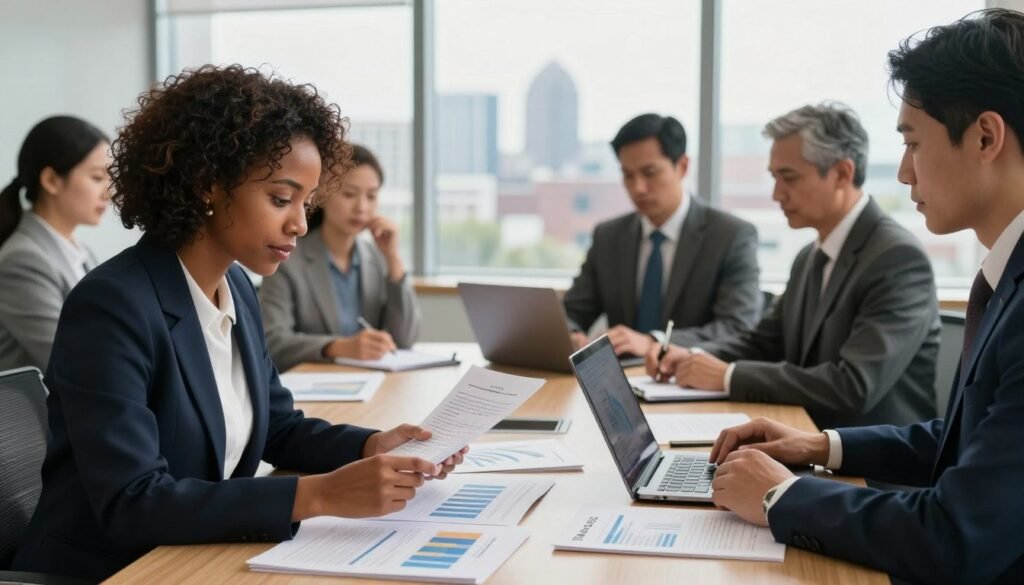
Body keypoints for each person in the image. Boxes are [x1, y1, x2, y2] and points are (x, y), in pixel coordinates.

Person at [12, 65, 464, 582]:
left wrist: (370, 446)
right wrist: (319, 494)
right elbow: (132, 501)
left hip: (192, 557)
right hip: (112, 571)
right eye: (280, 198)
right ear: (210, 185)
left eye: (307, 203)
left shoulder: (238, 288)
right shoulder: (113, 305)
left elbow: (279, 426)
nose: (298, 223)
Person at [707, 10, 1024, 584]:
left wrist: (782, 498)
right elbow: (961, 441)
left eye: (912, 143)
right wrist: (818, 446)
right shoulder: (1006, 280)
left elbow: (956, 535)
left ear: (985, 137)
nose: (903, 173)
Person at [648, 103, 939, 429]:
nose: (776, 194)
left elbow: (853, 386)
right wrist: (689, 355)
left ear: (842, 173)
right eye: (774, 177)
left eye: (789, 178)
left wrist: (728, 376)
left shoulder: (897, 259)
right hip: (805, 437)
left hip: (873, 467)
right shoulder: (809, 257)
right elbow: (763, 342)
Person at [563, 113, 762, 357]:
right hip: (619, 381)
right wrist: (571, 335)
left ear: (682, 166)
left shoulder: (730, 236)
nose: (638, 188)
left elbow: (737, 327)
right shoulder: (608, 237)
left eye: (649, 173)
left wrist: (653, 342)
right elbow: (572, 311)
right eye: (628, 175)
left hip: (690, 381)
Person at [260, 144, 421, 372]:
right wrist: (339, 347)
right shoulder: (286, 258)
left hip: (371, 387)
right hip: (313, 389)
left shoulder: (377, 257)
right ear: (322, 194)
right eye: (349, 194)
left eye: (372, 196)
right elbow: (272, 341)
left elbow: (403, 340)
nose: (362, 207)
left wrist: (393, 258)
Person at [0, 115, 110, 371]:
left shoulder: (82, 253)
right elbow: (73, 361)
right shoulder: (22, 261)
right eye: (97, 178)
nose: (109, 191)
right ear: (51, 180)